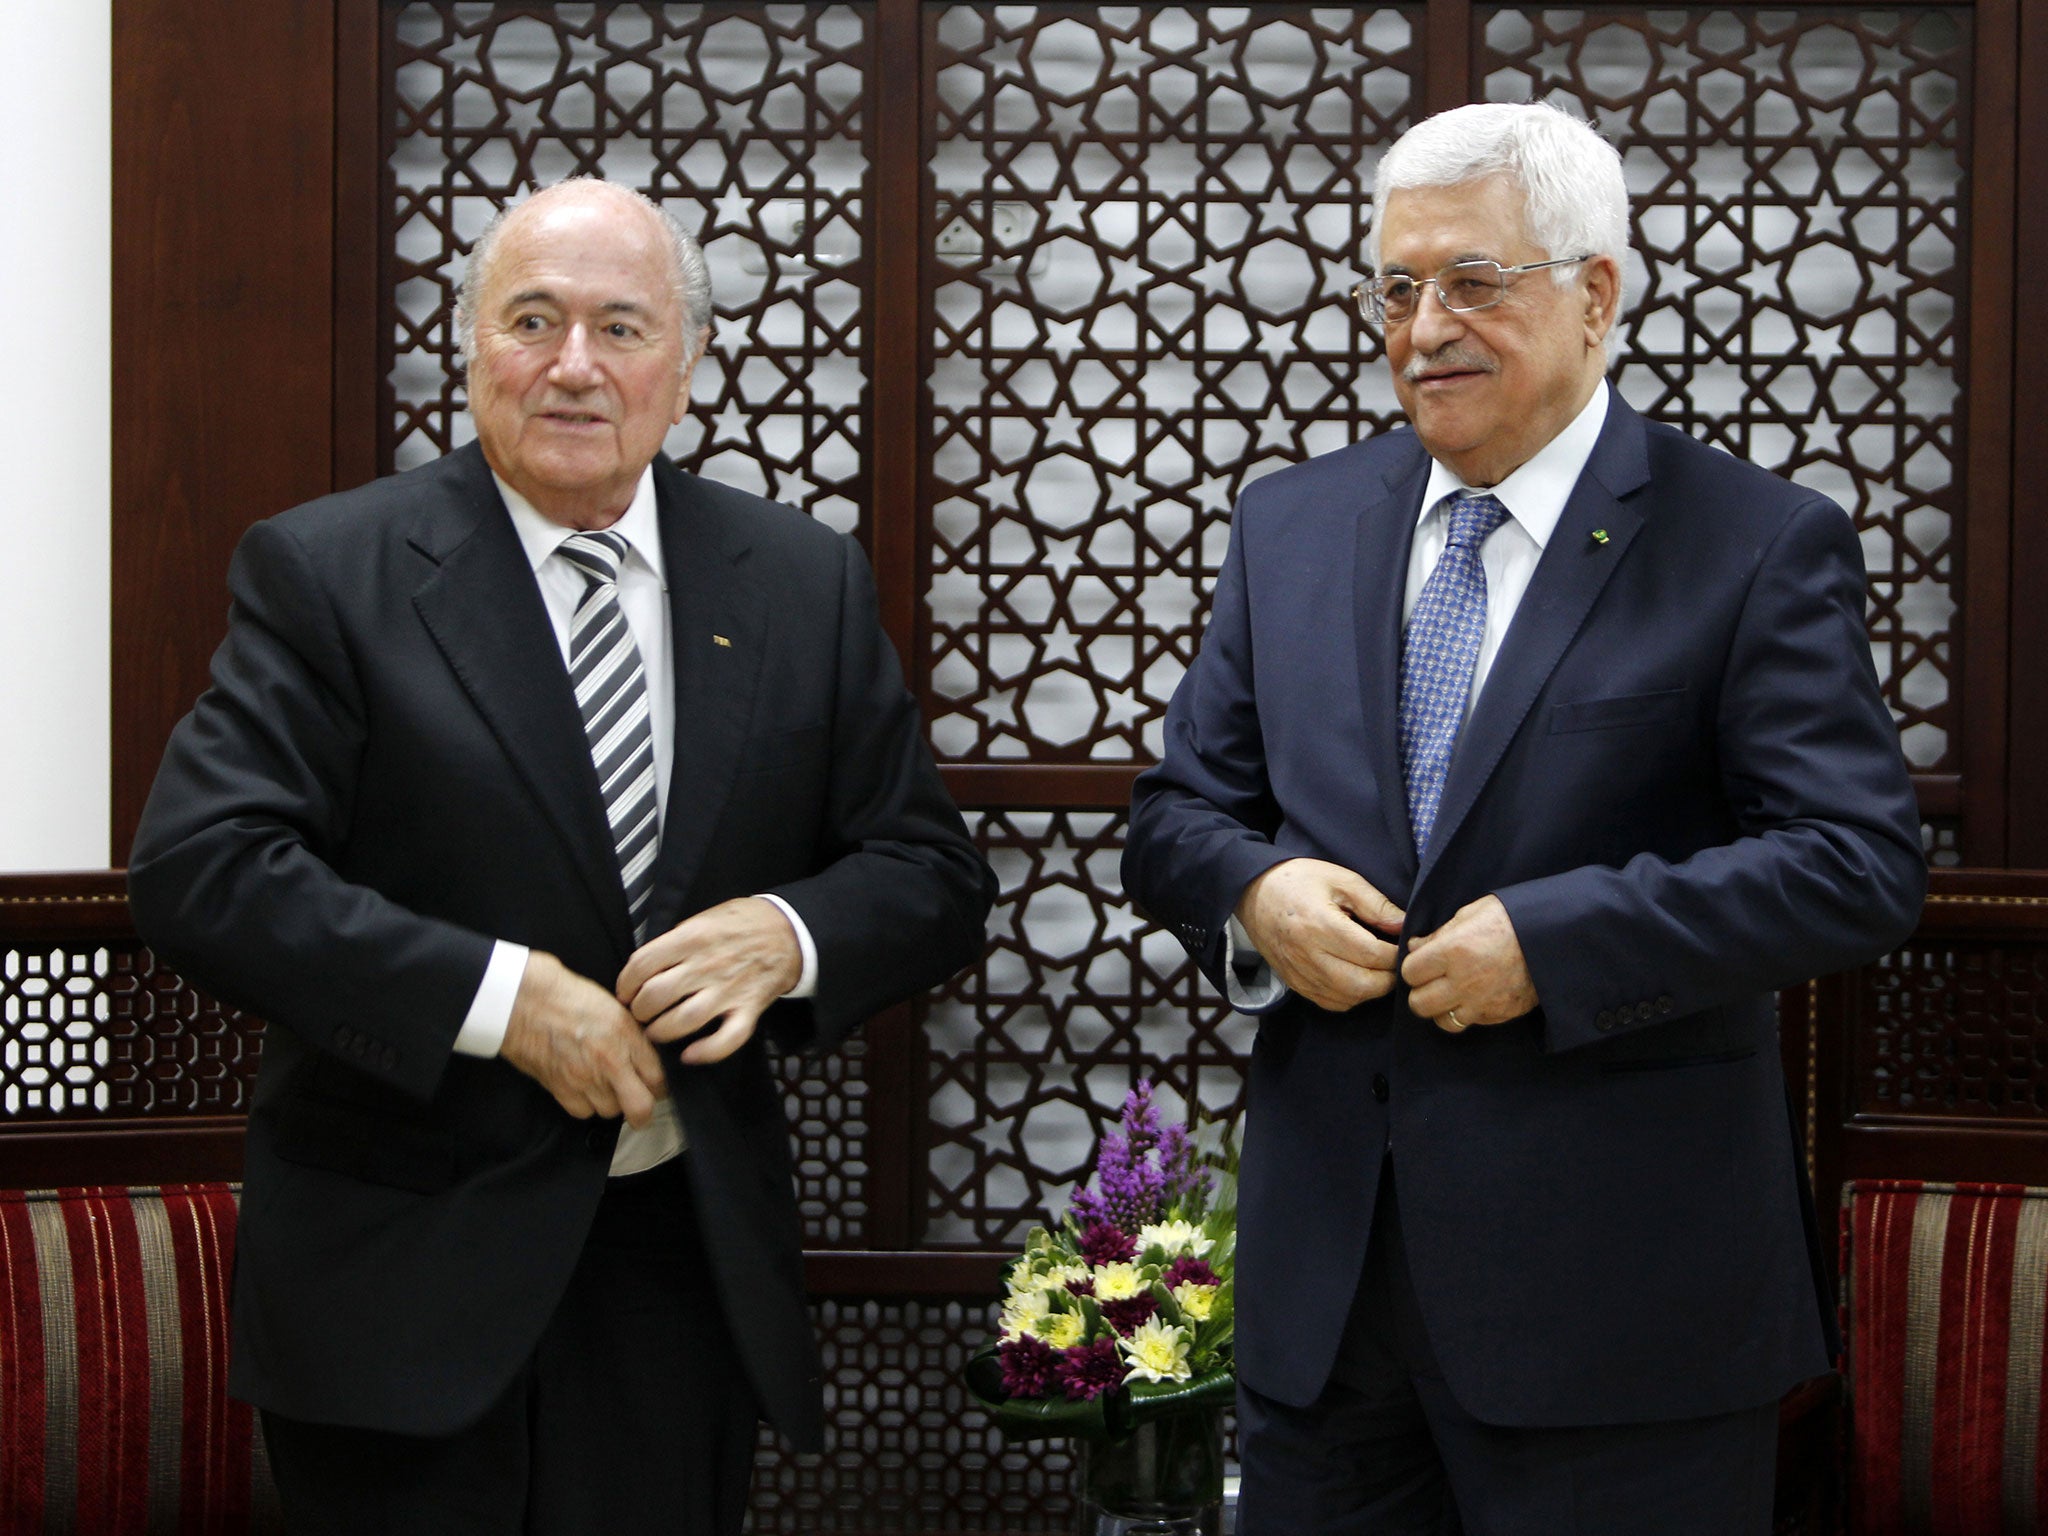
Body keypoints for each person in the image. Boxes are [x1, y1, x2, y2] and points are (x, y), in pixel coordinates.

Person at [128, 178, 994, 1534]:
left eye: (621, 327)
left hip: (678, 1272)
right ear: (469, 342)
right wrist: (500, 1003)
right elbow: (204, 868)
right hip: (401, 1287)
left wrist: (791, 933)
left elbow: (929, 873)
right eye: (533, 320)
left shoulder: (797, 581)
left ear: (687, 364)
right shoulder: (330, 572)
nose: (575, 367)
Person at [1121, 103, 1924, 1535]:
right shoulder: (1293, 525)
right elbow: (1180, 812)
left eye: (1473, 282)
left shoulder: (1751, 541)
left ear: (1597, 292)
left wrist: (1557, 944)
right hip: (1330, 1317)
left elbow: (1856, 865)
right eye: (1396, 286)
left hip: (1622, 1322)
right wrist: (1256, 899)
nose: (1423, 326)